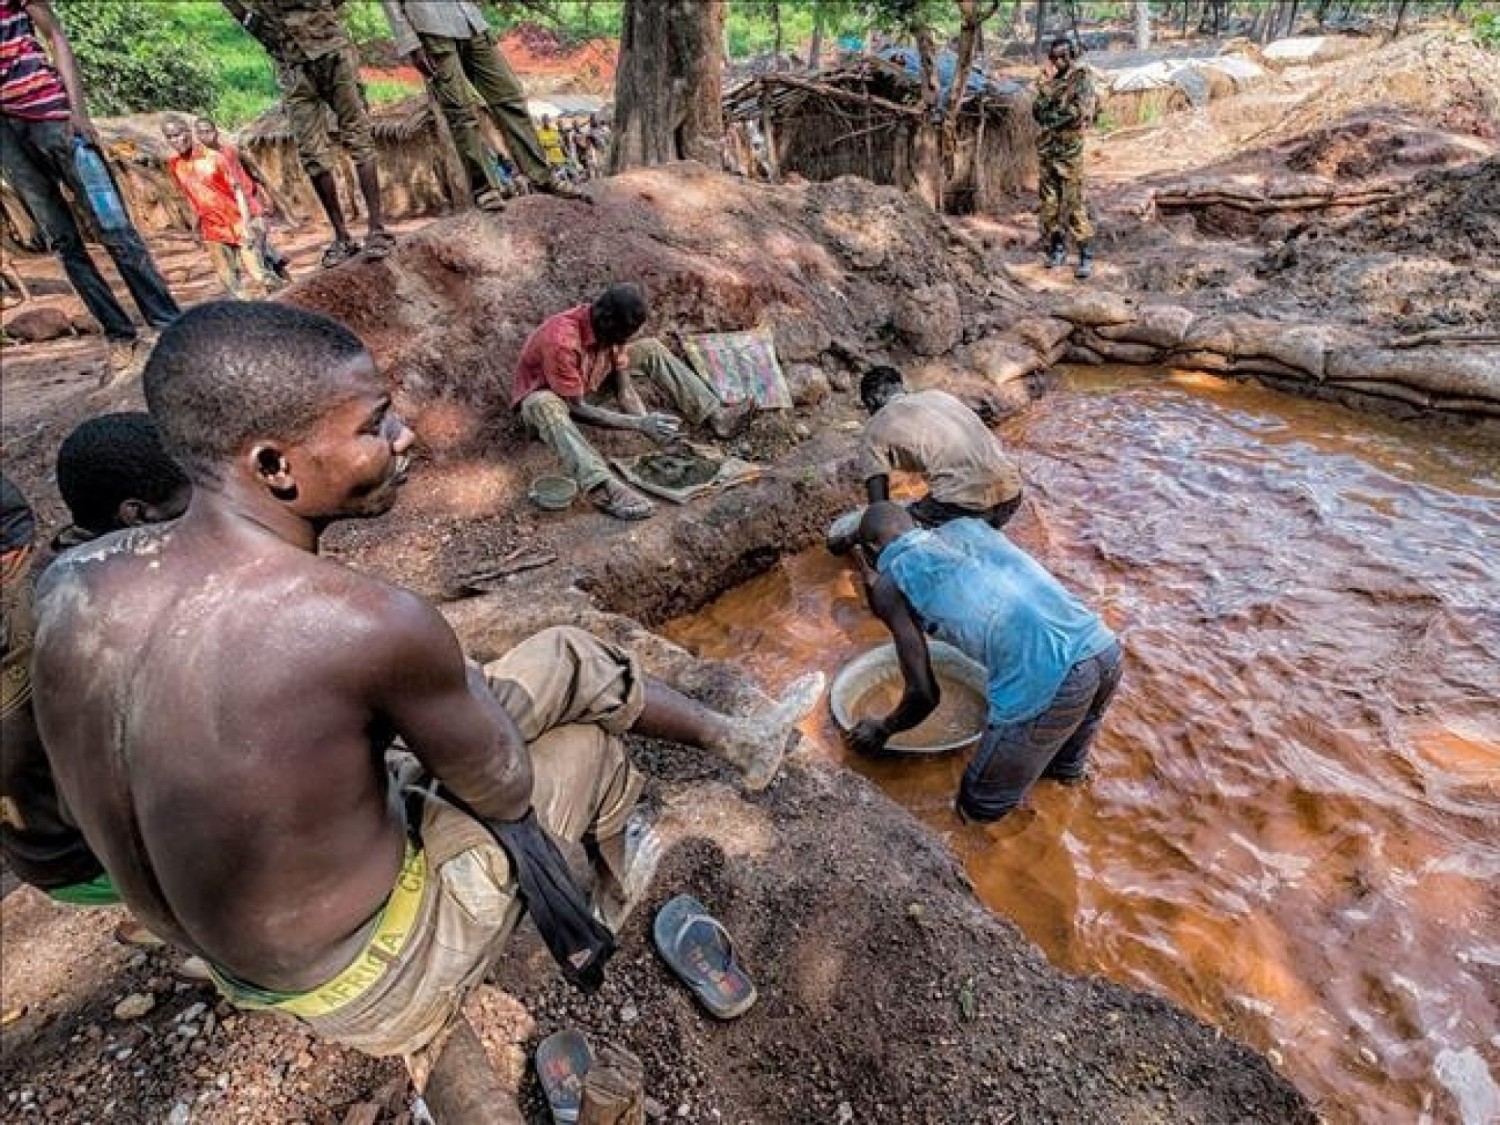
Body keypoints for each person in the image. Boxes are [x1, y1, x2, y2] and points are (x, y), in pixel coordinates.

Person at [29, 301, 820, 1079]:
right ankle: (619, 882)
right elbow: (504, 788)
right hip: (365, 975)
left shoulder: (71, 585)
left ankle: (724, 736)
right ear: (274, 465)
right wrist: (461, 699)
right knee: (586, 745)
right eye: (374, 425)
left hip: (233, 948)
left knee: (562, 657)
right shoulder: (362, 623)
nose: (403, 436)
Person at [3, 419, 189, 907]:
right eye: (193, 500)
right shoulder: (114, 613)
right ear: (137, 514)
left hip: (40, 845)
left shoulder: (61, 568)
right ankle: (213, 936)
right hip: (80, 859)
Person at [849, 503, 1122, 823]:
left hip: (1052, 677)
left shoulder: (890, 585)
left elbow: (924, 696)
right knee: (1062, 775)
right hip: (1104, 649)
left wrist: (882, 729)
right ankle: (1066, 828)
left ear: (871, 549)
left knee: (977, 807)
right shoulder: (967, 526)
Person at [0, 0, 180, 376]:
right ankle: (120, 337)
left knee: (113, 225)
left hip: (51, 113)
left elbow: (55, 34)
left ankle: (168, 325)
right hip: (6, 137)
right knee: (62, 241)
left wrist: (78, 111)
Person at [512, 284, 755, 521]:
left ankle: (715, 415)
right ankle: (603, 486)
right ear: (605, 321)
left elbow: (625, 389)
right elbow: (577, 408)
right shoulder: (562, 340)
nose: (621, 342)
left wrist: (653, 429)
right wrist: (638, 424)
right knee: (542, 403)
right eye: (620, 337)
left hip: (584, 387)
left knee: (650, 349)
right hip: (549, 404)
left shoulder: (610, 329)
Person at [221, 0, 392, 267]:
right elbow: (237, 8)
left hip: (331, 49)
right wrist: (263, 33)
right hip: (291, 65)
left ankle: (377, 229)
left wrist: (319, 14)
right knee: (312, 154)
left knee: (357, 135)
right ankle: (341, 237)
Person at [379, 1, 586, 208]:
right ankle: (484, 189)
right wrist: (410, 42)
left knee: (509, 96)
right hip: (429, 25)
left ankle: (542, 177)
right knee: (460, 110)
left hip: (469, 19)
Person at [827, 365, 1024, 554]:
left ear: (871, 402)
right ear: (902, 387)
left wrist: (849, 539)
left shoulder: (873, 428)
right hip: (1012, 495)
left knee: (898, 536)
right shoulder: (940, 397)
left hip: (962, 506)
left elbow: (880, 513)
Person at [162, 116, 274, 300]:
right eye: (170, 137)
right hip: (212, 230)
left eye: (179, 134)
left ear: (188, 133)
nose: (176, 140)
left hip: (236, 223)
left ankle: (293, 299)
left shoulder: (215, 157)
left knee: (260, 275)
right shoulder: (175, 165)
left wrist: (246, 223)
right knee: (231, 284)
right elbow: (191, 197)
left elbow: (238, 191)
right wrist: (194, 227)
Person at [194, 114, 292, 283]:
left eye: (208, 131)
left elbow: (254, 174)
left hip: (250, 207)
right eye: (200, 133)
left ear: (215, 132)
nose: (205, 136)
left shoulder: (230, 152)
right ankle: (277, 263)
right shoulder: (201, 162)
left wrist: (268, 198)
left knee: (258, 255)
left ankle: (281, 281)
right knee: (254, 255)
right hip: (230, 215)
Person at [1032, 36, 1097, 280]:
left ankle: (1085, 256)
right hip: (1048, 152)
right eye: (1054, 57)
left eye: (1063, 56)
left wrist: (1052, 113)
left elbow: (1079, 114)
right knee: (1049, 207)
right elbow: (1037, 112)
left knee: (1072, 206)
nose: (1058, 61)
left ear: (1071, 56)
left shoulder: (1081, 79)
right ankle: (1057, 250)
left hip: (1069, 154)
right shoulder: (1049, 82)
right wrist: (1046, 92)